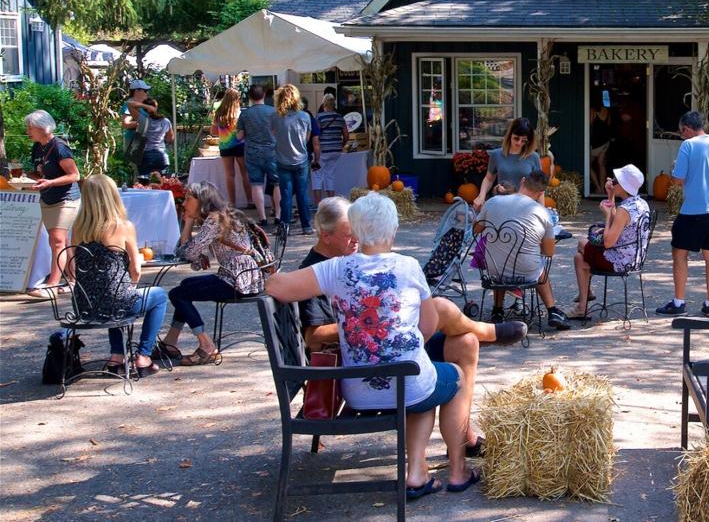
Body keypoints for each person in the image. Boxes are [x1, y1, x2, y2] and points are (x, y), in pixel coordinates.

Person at [266, 194, 480, 497]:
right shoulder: (408, 266)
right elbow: (428, 326)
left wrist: (257, 267)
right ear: (393, 230)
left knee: (418, 380)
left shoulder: (335, 269)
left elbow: (278, 286)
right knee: (452, 377)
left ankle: (417, 473)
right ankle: (459, 472)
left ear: (355, 230)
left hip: (357, 392)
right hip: (408, 383)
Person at [294, 196, 526, 458]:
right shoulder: (319, 272)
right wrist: (369, 323)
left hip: (383, 352)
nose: (357, 241)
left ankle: (463, 438)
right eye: (350, 235)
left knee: (465, 343)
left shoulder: (351, 262)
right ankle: (487, 332)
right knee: (438, 310)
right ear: (325, 236)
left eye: (358, 233)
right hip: (366, 368)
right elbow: (314, 338)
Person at [66, 174, 169, 376]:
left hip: (83, 304)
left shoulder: (78, 227)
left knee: (112, 296)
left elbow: (73, 266)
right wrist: (131, 281)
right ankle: (143, 355)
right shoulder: (123, 227)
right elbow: (136, 270)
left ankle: (117, 356)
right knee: (159, 296)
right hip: (115, 301)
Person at [159, 182, 262, 366]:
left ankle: (206, 346)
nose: (184, 204)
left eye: (189, 199)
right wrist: (197, 254)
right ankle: (169, 342)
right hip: (245, 276)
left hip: (236, 279)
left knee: (177, 294)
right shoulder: (225, 214)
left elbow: (187, 252)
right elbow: (193, 256)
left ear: (202, 200)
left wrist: (188, 223)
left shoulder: (214, 219)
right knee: (184, 288)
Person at [656, 110, 709, 319]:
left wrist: (675, 170)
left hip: (694, 209)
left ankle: (679, 302)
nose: (682, 136)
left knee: (679, 253)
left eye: (682, 132)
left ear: (687, 129)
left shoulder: (688, 145)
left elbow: (678, 180)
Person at [474, 169, 571, 330]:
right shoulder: (542, 213)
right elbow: (549, 252)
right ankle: (552, 310)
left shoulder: (493, 202)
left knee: (501, 254)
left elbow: (476, 229)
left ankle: (498, 310)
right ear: (541, 192)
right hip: (527, 272)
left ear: (522, 181)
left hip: (492, 269)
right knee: (539, 267)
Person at [569, 164, 650, 319]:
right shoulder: (640, 203)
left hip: (620, 260)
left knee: (579, 255)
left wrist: (607, 215)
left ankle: (582, 305)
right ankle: (585, 296)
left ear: (623, 185)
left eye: (615, 180)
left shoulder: (624, 210)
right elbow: (618, 225)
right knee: (581, 251)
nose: (612, 182)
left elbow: (608, 243)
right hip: (635, 257)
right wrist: (610, 196)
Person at [25, 110, 81, 289]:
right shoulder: (37, 147)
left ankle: (53, 284)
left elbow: (74, 175)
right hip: (48, 198)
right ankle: (72, 280)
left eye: (30, 127)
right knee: (63, 240)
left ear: (42, 128)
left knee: (56, 241)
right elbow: (41, 173)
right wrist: (27, 176)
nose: (28, 131)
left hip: (66, 199)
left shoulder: (59, 147)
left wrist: (50, 182)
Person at [271, 84, 318, 235]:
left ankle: (284, 227)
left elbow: (274, 135)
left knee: (286, 196)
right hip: (301, 159)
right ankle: (306, 226)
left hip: (282, 159)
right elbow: (307, 138)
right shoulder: (305, 116)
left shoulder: (275, 117)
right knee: (302, 194)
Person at [237, 84, 281, 228]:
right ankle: (278, 215)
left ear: (250, 97)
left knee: (257, 185)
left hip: (252, 152)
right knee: (276, 183)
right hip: (272, 151)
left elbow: (240, 136)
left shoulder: (245, 114)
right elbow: (278, 131)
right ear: (264, 96)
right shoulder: (273, 112)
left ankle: (262, 218)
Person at [473, 118, 540, 209]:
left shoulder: (533, 157)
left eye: (523, 140)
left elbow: (539, 187)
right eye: (516, 138)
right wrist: (481, 196)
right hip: (501, 205)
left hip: (525, 208)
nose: (519, 143)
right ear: (509, 135)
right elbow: (489, 179)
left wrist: (542, 210)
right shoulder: (496, 155)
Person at [211, 89, 252, 206]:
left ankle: (232, 203)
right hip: (240, 145)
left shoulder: (218, 112)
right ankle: (250, 200)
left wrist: (224, 133)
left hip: (225, 147)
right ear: (236, 99)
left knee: (229, 175)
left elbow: (213, 131)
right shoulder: (240, 113)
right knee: (245, 173)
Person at [312, 94, 348, 202]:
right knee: (330, 176)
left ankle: (319, 205)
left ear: (324, 104)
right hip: (336, 151)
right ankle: (331, 203)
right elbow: (346, 135)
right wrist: (341, 145)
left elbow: (316, 135)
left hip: (323, 150)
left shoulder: (320, 117)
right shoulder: (340, 117)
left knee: (317, 176)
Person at [138, 99, 174, 176]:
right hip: (162, 156)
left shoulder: (143, 121)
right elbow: (170, 139)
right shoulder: (165, 121)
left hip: (146, 155)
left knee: (145, 185)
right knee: (162, 184)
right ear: (156, 108)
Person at [121, 79, 151, 164]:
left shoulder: (144, 104)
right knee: (138, 170)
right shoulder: (129, 104)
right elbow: (126, 123)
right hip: (134, 141)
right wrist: (143, 124)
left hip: (145, 140)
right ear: (137, 91)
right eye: (145, 90)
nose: (147, 93)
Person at [589, 106, 612, 192]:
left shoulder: (592, 110)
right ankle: (602, 189)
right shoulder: (607, 111)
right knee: (601, 165)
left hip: (596, 144)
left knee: (588, 165)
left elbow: (589, 125)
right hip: (605, 143)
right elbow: (608, 125)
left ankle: (598, 187)